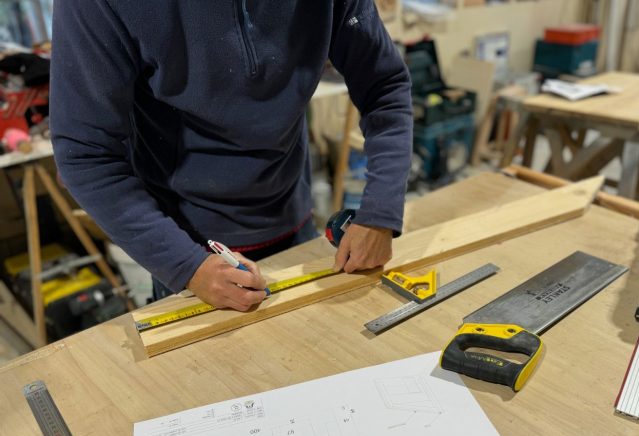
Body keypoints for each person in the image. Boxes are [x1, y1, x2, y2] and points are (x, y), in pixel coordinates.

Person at [50, 0, 412, 311]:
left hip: (295, 220)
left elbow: (384, 87)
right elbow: (85, 155)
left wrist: (380, 213)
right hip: (192, 250)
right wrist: (185, 265)